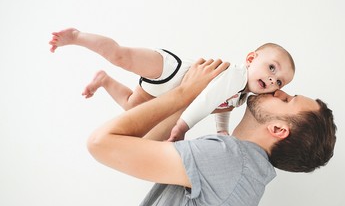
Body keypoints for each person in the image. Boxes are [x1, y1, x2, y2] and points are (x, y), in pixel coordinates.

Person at [86, 58, 337, 206]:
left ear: (279, 130)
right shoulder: (244, 172)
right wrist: (197, 100)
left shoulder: (227, 160)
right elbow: (141, 145)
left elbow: (100, 144)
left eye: (288, 99)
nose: (280, 91)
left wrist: (183, 92)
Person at [49, 28, 295, 141]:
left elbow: (222, 108)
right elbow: (208, 99)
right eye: (272, 68)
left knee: (132, 110)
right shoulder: (237, 76)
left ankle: (103, 80)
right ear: (251, 59)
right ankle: (78, 37)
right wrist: (183, 126)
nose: (273, 79)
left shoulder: (241, 96)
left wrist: (222, 130)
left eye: (280, 81)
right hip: (172, 70)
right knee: (121, 56)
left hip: (167, 93)